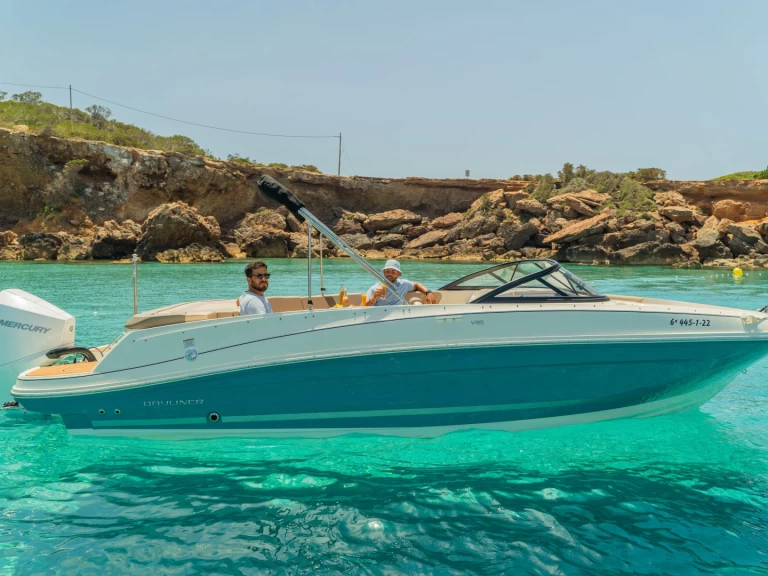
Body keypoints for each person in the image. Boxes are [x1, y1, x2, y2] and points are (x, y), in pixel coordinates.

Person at [364, 259, 437, 306]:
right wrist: (374, 298)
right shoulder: (375, 289)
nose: (390, 274)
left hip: (399, 315)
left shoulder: (403, 284)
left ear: (398, 274)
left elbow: (416, 285)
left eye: (393, 272)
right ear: (383, 273)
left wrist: (428, 293)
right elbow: (364, 307)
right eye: (387, 271)